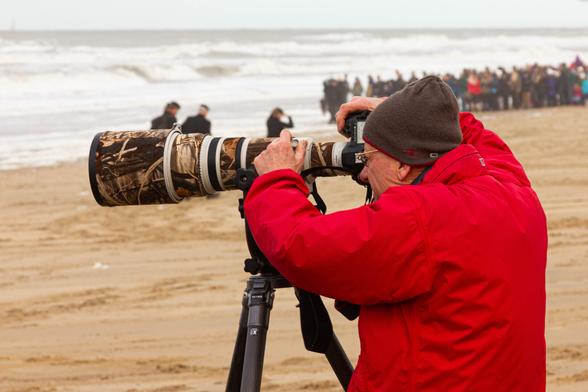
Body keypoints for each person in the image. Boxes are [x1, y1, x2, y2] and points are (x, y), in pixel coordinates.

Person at [245, 76, 547, 391]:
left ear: (403, 166)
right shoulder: (509, 182)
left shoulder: (420, 219)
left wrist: (278, 179)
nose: (361, 172)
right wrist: (400, 111)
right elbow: (477, 135)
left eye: (368, 158)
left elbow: (300, 246)